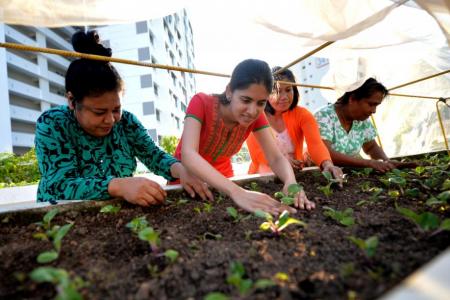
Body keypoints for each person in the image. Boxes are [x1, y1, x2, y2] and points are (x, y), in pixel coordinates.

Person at [35, 30, 209, 206]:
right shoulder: (54, 124)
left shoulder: (126, 122)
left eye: (116, 109)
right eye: (99, 112)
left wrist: (181, 170)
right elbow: (57, 185)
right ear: (72, 101)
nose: (111, 120)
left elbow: (154, 155)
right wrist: (118, 186)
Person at [174, 59, 315, 214]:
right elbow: (188, 155)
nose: (252, 111)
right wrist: (237, 192)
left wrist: (290, 182)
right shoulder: (201, 102)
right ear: (229, 91)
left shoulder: (258, 117)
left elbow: (275, 158)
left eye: (261, 103)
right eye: (245, 100)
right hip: (188, 180)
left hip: (226, 182)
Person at [246, 67, 343, 184]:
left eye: (288, 90)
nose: (284, 97)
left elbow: (315, 143)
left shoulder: (303, 115)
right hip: (263, 177)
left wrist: (327, 164)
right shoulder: (256, 116)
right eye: (276, 91)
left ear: (295, 90)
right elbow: (258, 153)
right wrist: (283, 161)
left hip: (295, 175)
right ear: (265, 94)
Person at [314, 78, 397, 172]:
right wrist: (369, 163)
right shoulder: (324, 116)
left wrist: (387, 162)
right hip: (322, 172)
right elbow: (325, 153)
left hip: (349, 173)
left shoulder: (362, 121)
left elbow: (371, 147)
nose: (373, 111)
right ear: (352, 99)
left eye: (376, 106)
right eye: (371, 104)